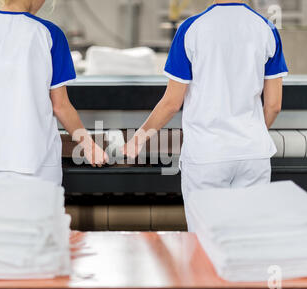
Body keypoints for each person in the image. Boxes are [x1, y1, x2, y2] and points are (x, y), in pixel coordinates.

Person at [123, 0, 288, 230]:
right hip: (253, 154)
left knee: (206, 244)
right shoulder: (266, 28)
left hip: (207, 155)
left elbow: (171, 103)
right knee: (249, 241)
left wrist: (137, 139)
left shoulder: (191, 29)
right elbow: (274, 105)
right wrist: (252, 133)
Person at [0, 0, 108, 185]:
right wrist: (90, 147)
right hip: (39, 164)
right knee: (41, 213)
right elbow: (60, 106)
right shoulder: (49, 33)